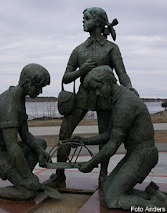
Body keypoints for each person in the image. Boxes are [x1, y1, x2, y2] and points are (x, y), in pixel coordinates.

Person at [43, 7, 138, 188]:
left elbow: (122, 74)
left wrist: (130, 88)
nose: (83, 21)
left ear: (98, 21)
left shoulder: (112, 48)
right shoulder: (79, 50)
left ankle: (102, 176)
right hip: (83, 97)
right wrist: (82, 71)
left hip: (105, 98)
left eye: (86, 18)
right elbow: (65, 77)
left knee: (105, 136)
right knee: (64, 133)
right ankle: (59, 174)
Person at [75, 65, 167, 209]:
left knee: (112, 199)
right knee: (108, 186)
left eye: (98, 88)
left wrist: (91, 163)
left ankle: (155, 205)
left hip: (143, 156)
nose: (97, 93)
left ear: (107, 82)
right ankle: (150, 195)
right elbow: (108, 135)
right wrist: (84, 141)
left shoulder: (125, 104)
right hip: (135, 154)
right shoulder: (118, 100)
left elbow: (112, 145)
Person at [0, 63, 52, 201]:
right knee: (27, 194)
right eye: (39, 87)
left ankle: (24, 181)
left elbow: (25, 135)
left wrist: (41, 152)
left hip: (6, 150)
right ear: (27, 83)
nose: (40, 92)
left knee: (40, 144)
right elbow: (12, 146)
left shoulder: (19, 99)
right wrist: (28, 176)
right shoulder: (10, 104)